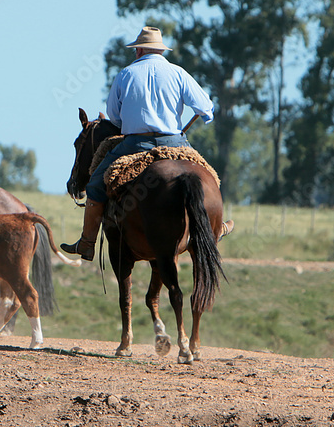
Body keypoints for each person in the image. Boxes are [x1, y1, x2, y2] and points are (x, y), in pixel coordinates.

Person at [61, 26, 234, 261]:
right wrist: (205, 115)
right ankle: (216, 226)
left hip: (135, 144)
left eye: (136, 49)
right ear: (160, 50)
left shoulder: (125, 74)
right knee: (209, 177)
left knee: (94, 185)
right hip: (176, 144)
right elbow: (206, 109)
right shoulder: (178, 73)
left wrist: (130, 122)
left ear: (140, 49)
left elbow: (114, 116)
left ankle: (87, 242)